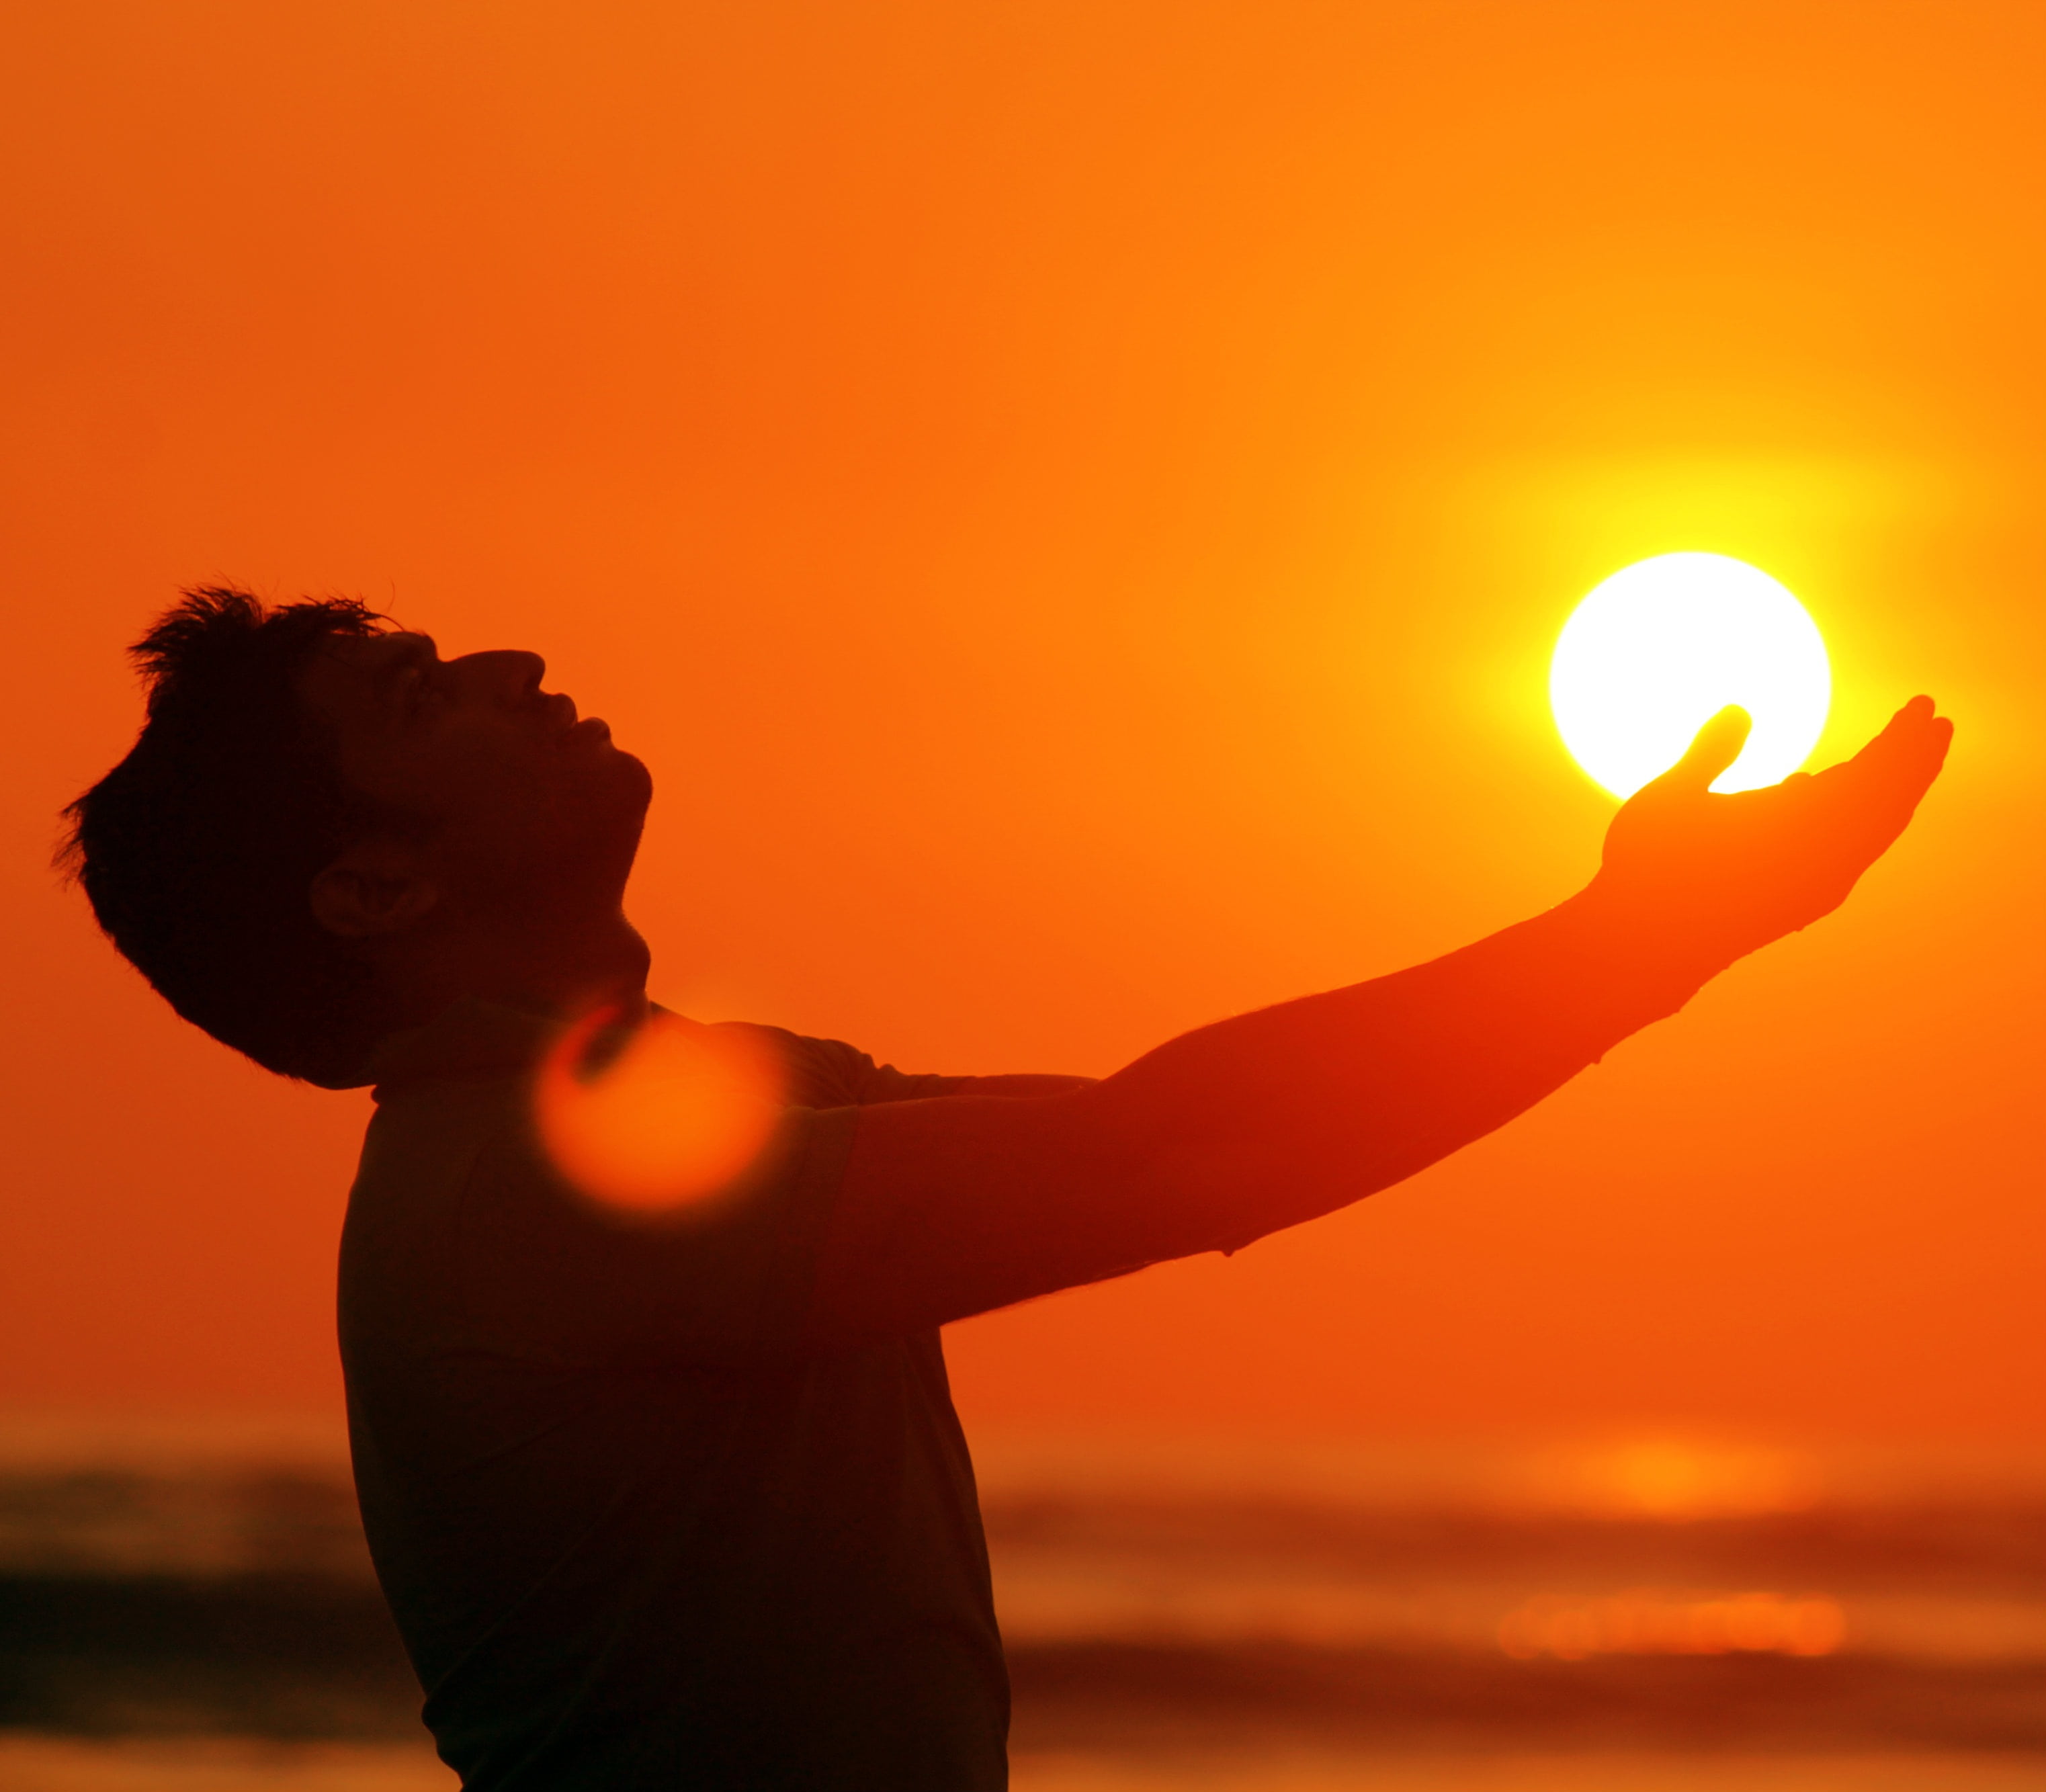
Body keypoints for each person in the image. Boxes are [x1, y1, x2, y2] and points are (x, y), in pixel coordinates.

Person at [62, 587, 1951, 1790]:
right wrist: (1646, 943)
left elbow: (1184, 1134)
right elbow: (1184, 1149)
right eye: (416, 692)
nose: (511, 660)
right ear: (375, 890)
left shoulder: (705, 1109)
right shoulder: (536, 1195)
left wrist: (1640, 946)